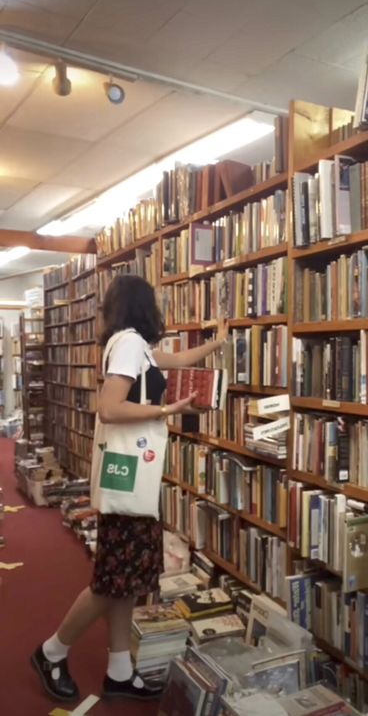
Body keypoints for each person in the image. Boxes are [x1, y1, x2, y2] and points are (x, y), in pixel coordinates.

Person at [31, 274, 228, 702]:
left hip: (135, 474)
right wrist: (167, 409)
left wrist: (215, 344)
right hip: (129, 475)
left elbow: (172, 360)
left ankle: (120, 670)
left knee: (126, 579)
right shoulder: (127, 344)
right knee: (109, 581)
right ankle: (52, 651)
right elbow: (112, 407)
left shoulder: (134, 344)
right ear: (144, 305)